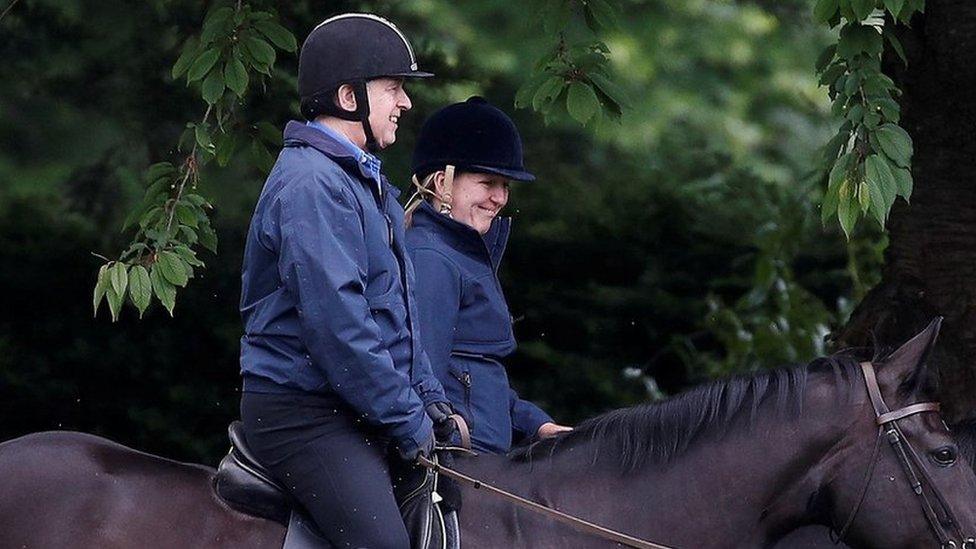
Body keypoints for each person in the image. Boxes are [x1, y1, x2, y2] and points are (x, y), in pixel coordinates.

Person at [237, 13, 459, 549]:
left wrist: (430, 399)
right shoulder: (312, 184)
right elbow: (339, 327)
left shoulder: (361, 181)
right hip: (301, 412)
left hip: (350, 401)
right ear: (346, 95)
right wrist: (406, 417)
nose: (405, 103)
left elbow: (394, 311)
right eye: (393, 88)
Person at [404, 97, 572, 455]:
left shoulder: (460, 253)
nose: (499, 198)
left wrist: (535, 423)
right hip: (458, 459)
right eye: (487, 182)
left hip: (485, 456)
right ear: (441, 182)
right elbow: (423, 380)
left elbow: (476, 378)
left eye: (505, 185)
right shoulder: (432, 258)